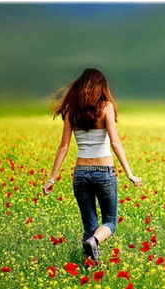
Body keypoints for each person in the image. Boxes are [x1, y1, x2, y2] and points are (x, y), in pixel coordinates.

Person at [42, 67, 143, 264]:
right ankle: (95, 241)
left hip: (80, 173)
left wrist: (51, 179)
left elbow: (64, 147)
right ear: (101, 87)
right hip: (104, 172)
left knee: (89, 226)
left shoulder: (71, 110)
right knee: (110, 222)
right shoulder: (106, 107)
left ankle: (88, 264)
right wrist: (130, 173)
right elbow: (115, 142)